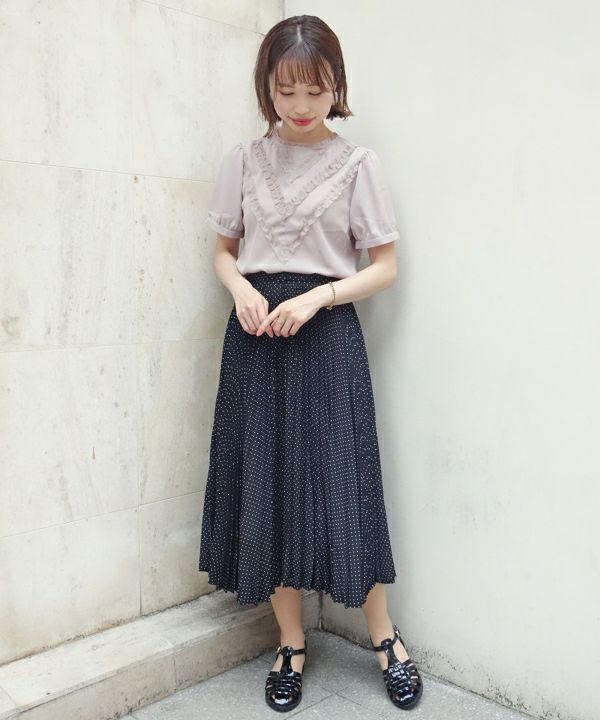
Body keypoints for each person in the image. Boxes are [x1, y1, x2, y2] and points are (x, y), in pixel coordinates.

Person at [198, 14, 423, 713]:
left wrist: (320, 296)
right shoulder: (243, 160)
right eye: (286, 90)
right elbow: (224, 251)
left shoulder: (358, 165)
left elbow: (384, 267)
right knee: (266, 486)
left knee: (344, 484)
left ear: (337, 86)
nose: (300, 106)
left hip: (327, 338)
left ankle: (385, 638)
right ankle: (290, 644)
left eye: (316, 90)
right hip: (257, 337)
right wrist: (241, 288)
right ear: (266, 87)